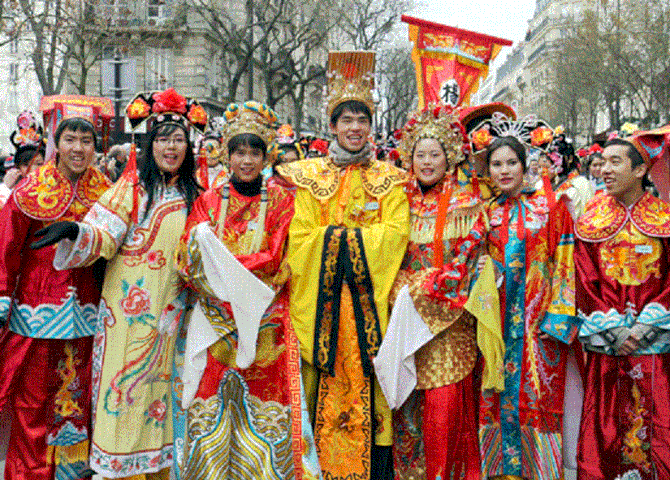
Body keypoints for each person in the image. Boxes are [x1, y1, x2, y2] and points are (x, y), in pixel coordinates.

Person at [32, 88, 206, 479]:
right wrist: (76, 230)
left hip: (179, 319)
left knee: (174, 400)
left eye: (178, 139)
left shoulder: (200, 196)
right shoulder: (131, 190)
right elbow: (104, 233)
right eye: (163, 138)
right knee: (123, 401)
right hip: (128, 321)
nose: (171, 147)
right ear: (149, 144)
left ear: (189, 145)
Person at [277, 51, 408, 480]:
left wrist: (335, 238)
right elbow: (300, 238)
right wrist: (355, 241)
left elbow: (395, 234)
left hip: (374, 308)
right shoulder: (305, 177)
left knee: (373, 386)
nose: (355, 128)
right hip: (322, 306)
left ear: (371, 127)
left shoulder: (391, 179)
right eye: (346, 120)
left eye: (362, 120)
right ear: (332, 126)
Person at [175, 100, 320, 479]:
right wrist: (218, 280)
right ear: (227, 152)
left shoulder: (284, 203)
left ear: (267, 154)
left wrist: (229, 269)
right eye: (239, 150)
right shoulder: (207, 201)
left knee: (268, 421)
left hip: (267, 330)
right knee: (209, 417)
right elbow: (188, 258)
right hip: (216, 327)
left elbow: (279, 257)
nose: (247, 159)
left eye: (255, 151)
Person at [379, 104, 504, 480]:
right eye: (421, 154)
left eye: (435, 154)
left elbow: (478, 263)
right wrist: (410, 289)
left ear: (449, 157)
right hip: (405, 321)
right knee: (407, 416)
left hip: (451, 327)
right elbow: (385, 261)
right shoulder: (396, 203)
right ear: (410, 158)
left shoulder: (470, 205)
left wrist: (446, 287)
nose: (427, 162)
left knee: (444, 413)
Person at [0, 110, 112, 479]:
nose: (78, 149)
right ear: (56, 145)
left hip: (90, 317)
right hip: (37, 315)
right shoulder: (30, 191)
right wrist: (2, 296)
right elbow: (6, 247)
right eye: (70, 140)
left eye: (86, 141)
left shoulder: (107, 192)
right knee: (32, 407)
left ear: (96, 148)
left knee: (78, 405)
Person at [479, 135, 578, 480]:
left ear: (525, 166)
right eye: (496, 164)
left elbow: (565, 259)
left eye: (511, 163)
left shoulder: (551, 206)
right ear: (488, 169)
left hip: (538, 324)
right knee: (495, 393)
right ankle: (498, 470)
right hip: (497, 322)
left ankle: (541, 470)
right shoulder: (485, 212)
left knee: (538, 397)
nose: (504, 171)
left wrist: (559, 315)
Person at [574, 129, 670, 480]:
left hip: (657, 346)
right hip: (609, 343)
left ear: (641, 170)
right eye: (603, 163)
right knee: (606, 425)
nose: (606, 170)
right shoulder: (591, 220)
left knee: (659, 423)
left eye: (616, 162)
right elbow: (585, 279)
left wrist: (647, 326)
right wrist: (613, 328)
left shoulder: (664, 219)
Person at [0, 111, 46, 208]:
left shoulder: (54, 188)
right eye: (26, 165)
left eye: (38, 164)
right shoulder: (12, 192)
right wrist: (5, 187)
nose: (33, 169)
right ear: (18, 168)